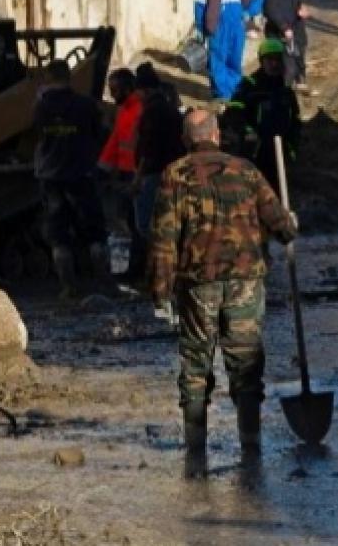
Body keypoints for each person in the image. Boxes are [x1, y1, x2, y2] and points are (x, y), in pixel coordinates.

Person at [150, 108, 297, 478]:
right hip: (246, 279)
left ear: (187, 139)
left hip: (199, 282)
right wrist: (288, 228)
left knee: (196, 364)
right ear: (216, 136)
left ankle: (195, 450)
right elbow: (280, 221)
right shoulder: (246, 170)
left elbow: (164, 239)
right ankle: (251, 443)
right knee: (246, 363)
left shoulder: (175, 174)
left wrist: (161, 292)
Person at [33, 60, 108, 299]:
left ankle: (68, 286)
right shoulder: (85, 105)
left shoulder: (41, 107)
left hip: (51, 176)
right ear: (68, 76)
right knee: (95, 230)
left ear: (47, 78)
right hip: (82, 173)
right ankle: (105, 283)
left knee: (58, 233)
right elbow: (100, 132)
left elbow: (36, 133)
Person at [225, 39, 302, 190]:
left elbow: (295, 121)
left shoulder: (285, 89)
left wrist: (292, 149)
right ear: (262, 61)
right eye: (269, 59)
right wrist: (248, 133)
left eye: (277, 59)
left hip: (281, 151)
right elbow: (234, 114)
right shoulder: (250, 85)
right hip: (256, 152)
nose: (274, 64)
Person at [196, 0, 264, 102]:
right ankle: (222, 94)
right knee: (217, 61)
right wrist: (201, 28)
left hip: (237, 28)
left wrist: (249, 12)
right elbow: (199, 6)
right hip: (217, 28)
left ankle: (233, 92)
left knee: (234, 60)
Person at [132, 65, 187, 259]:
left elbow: (148, 148)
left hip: (154, 174)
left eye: (138, 91)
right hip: (171, 172)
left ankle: (163, 269)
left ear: (144, 90)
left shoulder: (153, 111)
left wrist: (138, 178)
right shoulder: (168, 108)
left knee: (148, 226)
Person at [99, 68, 144, 278]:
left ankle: (138, 269)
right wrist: (105, 168)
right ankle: (133, 268)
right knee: (128, 223)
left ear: (128, 88)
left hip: (138, 175)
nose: (112, 94)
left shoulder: (138, 110)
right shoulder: (124, 109)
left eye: (115, 89)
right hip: (126, 173)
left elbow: (141, 145)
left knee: (138, 225)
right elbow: (116, 140)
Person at [260, 0, 310, 89]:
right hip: (280, 29)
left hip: (295, 24)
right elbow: (271, 7)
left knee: (298, 55)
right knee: (286, 66)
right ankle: (281, 92)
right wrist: (284, 27)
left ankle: (298, 82)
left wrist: (299, 9)